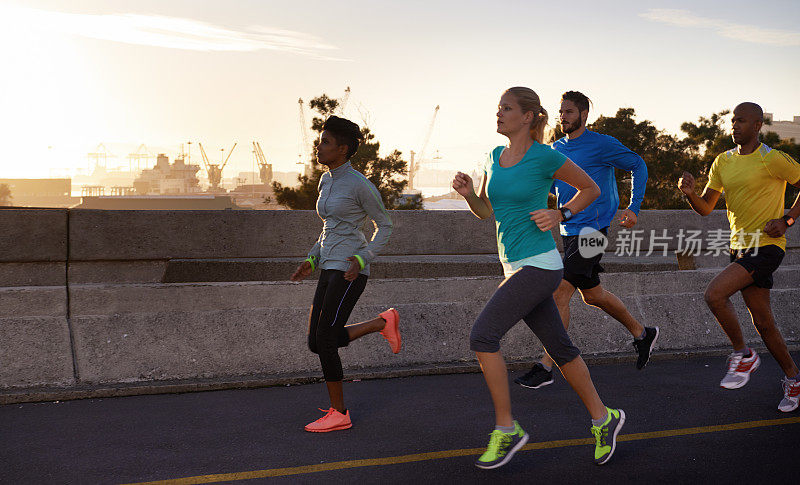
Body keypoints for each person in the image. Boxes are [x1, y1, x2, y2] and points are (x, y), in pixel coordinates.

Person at [452, 87, 625, 469]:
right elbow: (488, 212)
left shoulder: (545, 156)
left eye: (507, 108)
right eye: (498, 107)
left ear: (528, 117)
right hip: (513, 265)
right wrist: (468, 196)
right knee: (560, 349)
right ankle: (604, 418)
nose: (499, 113)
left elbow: (590, 189)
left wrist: (560, 214)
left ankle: (506, 428)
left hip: (541, 264)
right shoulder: (494, 157)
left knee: (483, 336)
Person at [516, 91, 658, 390]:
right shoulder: (554, 149)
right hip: (568, 232)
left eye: (569, 111)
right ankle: (642, 333)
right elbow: (545, 189)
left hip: (594, 232)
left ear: (583, 115)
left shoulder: (601, 144)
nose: (563, 117)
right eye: (561, 112)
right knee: (592, 295)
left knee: (560, 292)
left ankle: (546, 365)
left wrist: (633, 208)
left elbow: (638, 165)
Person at [678, 102, 800, 412]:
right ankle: (793, 378)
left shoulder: (771, 159)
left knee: (715, 294)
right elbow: (707, 207)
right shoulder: (722, 162)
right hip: (740, 247)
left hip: (767, 246)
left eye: (742, 121)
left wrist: (787, 219)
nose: (735, 125)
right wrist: (691, 193)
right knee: (764, 323)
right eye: (733, 120)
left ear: (758, 125)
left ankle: (743, 356)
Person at [290, 115, 402, 432]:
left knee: (325, 339)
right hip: (328, 266)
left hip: (349, 271)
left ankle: (340, 413)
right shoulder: (326, 181)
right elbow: (330, 228)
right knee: (316, 341)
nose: (318, 145)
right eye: (320, 140)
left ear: (342, 149)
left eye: (325, 141)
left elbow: (386, 226)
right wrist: (311, 260)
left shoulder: (359, 185)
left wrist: (362, 258)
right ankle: (383, 322)